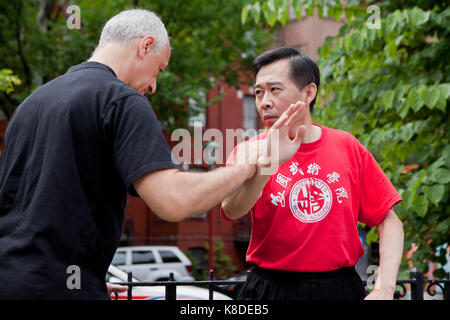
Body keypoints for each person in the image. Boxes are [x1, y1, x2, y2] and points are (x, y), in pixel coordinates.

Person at [0, 10, 304, 299]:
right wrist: (254, 161)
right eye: (158, 69)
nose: (154, 86)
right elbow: (173, 201)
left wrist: (79, 279)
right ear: (145, 46)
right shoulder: (121, 101)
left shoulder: (30, 105)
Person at [221, 47, 404, 300]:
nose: (264, 102)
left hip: (339, 287)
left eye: (275, 90)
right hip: (270, 288)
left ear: (308, 92)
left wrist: (385, 287)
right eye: (258, 92)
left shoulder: (347, 146)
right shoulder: (248, 150)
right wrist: (268, 163)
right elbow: (231, 210)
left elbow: (390, 221)